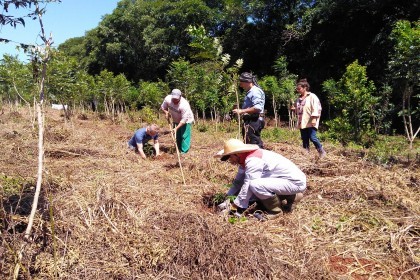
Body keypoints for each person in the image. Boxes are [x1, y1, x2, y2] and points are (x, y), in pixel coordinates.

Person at [215, 138, 306, 216]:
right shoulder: (244, 160)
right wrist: (228, 197)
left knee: (255, 185)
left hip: (294, 182)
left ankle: (276, 212)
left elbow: (248, 185)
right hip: (286, 180)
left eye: (230, 157)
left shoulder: (253, 160)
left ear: (237, 154)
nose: (230, 160)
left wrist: (234, 206)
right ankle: (293, 196)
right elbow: (238, 182)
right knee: (254, 190)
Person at [294, 78, 326, 157]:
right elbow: (298, 109)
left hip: (311, 120)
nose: (298, 90)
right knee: (304, 138)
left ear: (305, 88)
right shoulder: (299, 99)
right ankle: (306, 154)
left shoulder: (312, 96)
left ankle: (321, 151)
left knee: (312, 137)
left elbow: (316, 107)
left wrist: (314, 118)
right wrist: (294, 109)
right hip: (303, 121)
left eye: (299, 88)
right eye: (297, 89)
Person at [232, 72, 265, 148]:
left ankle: (257, 158)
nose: (240, 85)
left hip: (254, 120)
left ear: (247, 82)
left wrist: (241, 111)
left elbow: (257, 108)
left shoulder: (255, 91)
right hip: (250, 120)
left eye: (241, 83)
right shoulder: (250, 92)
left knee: (253, 144)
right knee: (248, 142)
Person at [161, 89, 195, 154]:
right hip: (175, 119)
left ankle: (184, 152)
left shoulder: (184, 105)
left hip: (186, 120)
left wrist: (176, 128)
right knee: (177, 136)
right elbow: (163, 107)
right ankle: (178, 149)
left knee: (184, 136)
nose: (174, 101)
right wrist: (166, 112)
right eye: (173, 99)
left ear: (180, 96)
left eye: (176, 99)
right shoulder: (168, 99)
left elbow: (184, 120)